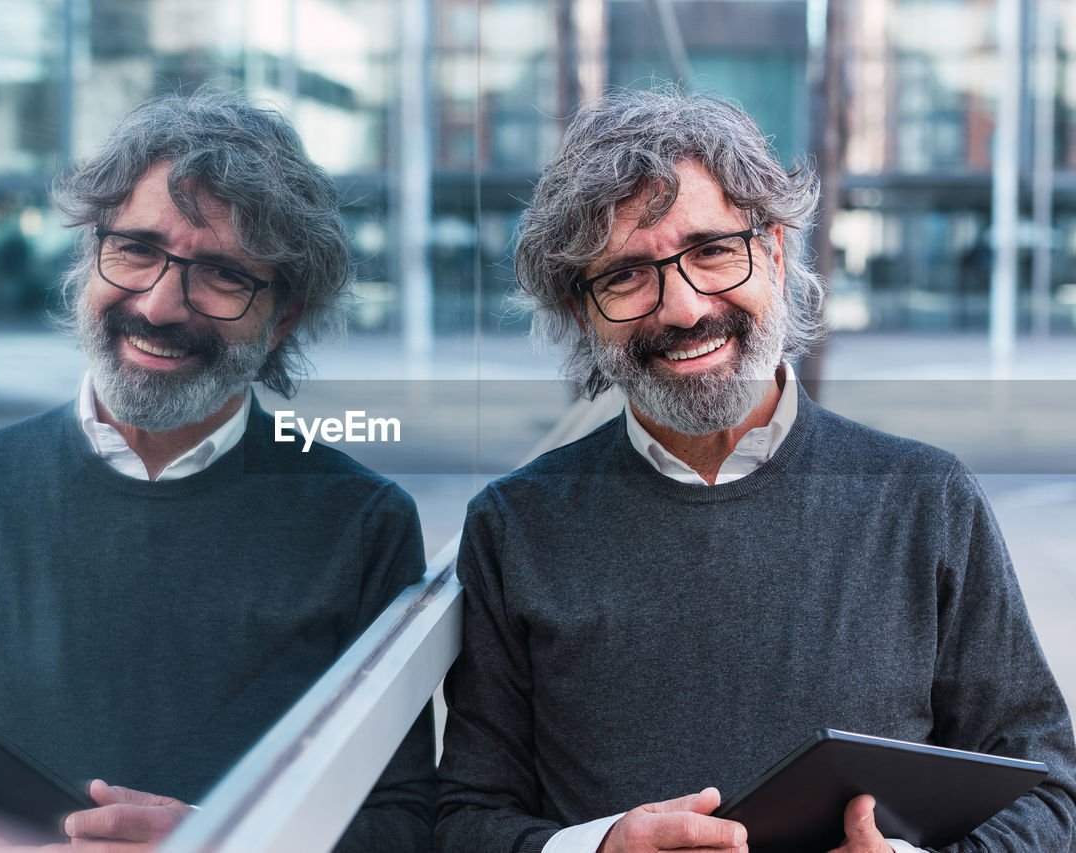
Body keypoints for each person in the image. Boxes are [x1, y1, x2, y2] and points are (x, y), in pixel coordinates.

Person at [435, 88, 1076, 853]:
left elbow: (1049, 790)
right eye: (627, 276)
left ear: (773, 252)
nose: (682, 307)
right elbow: (466, 818)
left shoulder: (924, 499)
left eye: (710, 249)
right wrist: (597, 849)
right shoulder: (515, 527)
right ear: (583, 314)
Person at [0, 89, 432, 851]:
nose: (162, 303)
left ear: (284, 317)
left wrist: (230, 840)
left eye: (221, 275)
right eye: (136, 248)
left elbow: (406, 824)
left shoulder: (362, 523)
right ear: (91, 248)